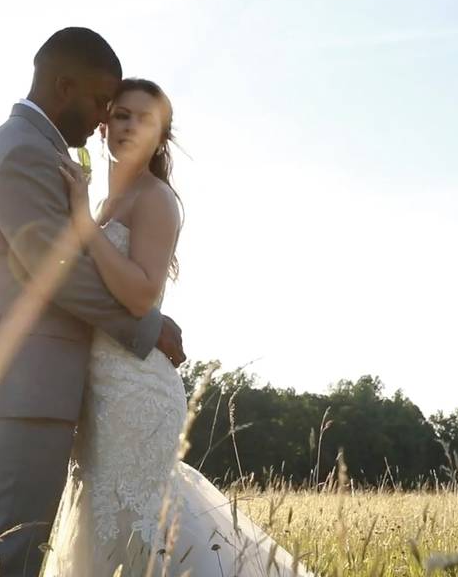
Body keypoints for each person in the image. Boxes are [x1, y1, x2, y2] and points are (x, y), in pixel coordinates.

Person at [0, 27, 187, 577]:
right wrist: (147, 325)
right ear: (63, 85)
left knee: (8, 555)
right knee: (9, 558)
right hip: (27, 386)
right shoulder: (26, 151)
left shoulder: (35, 148)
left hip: (35, 387)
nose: (105, 118)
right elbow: (53, 272)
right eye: (103, 102)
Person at [44, 78, 315, 576]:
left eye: (144, 119)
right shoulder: (105, 204)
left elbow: (142, 294)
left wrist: (81, 223)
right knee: (102, 530)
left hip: (137, 394)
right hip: (99, 393)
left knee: (139, 531)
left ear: (161, 135)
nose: (129, 126)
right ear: (103, 124)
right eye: (121, 115)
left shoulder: (156, 199)